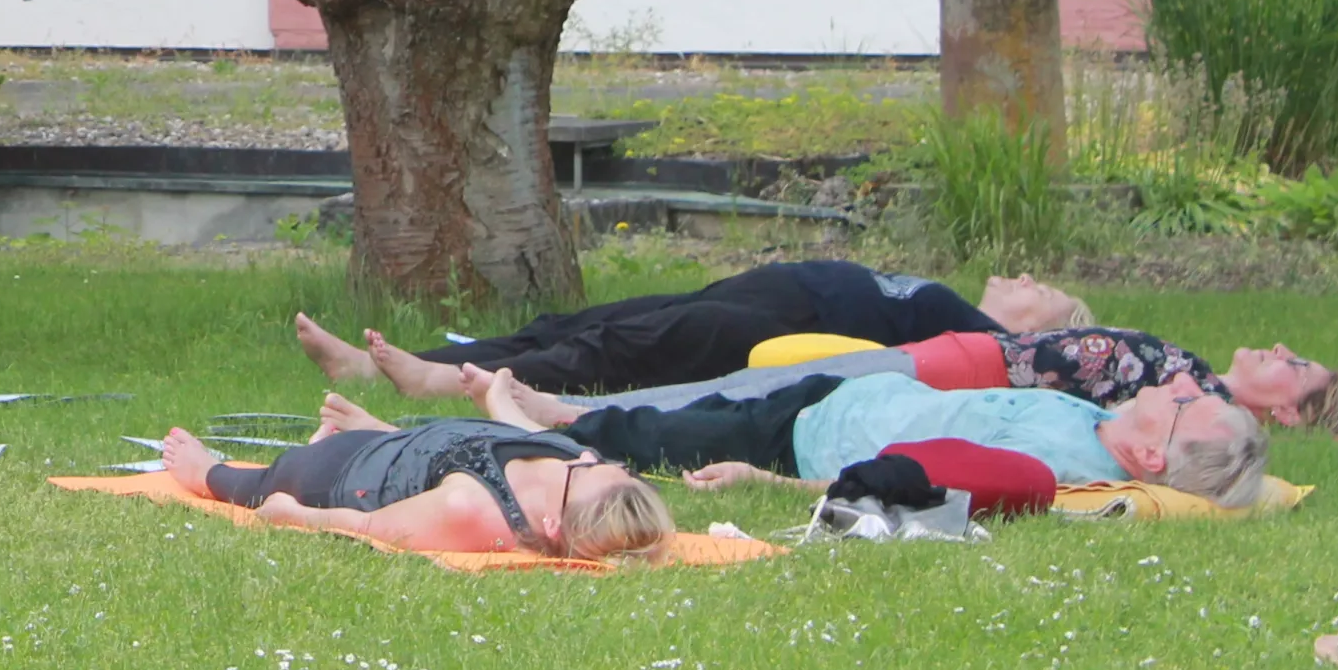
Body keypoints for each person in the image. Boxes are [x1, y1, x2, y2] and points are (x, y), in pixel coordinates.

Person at [474, 359, 1276, 509]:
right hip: (843, 400)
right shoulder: (1102, 428)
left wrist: (771, 486)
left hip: (805, 443)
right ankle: (554, 412)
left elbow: (917, 479)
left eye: (1180, 405)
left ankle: (535, 428)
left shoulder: (1054, 465)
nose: (1176, 385)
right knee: (695, 408)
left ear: (1148, 457)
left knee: (667, 437)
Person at [295, 261, 1096, 400]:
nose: (1026, 281)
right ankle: (393, 369)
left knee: (616, 350)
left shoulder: (986, 340)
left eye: (1043, 293)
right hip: (758, 297)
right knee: (582, 321)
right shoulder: (949, 304)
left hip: (777, 328)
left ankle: (446, 382)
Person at [543, 324, 1338, 436]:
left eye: (1296, 369)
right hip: (962, 354)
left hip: (954, 373)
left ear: (1290, 413)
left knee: (751, 388)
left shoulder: (1203, 406)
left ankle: (567, 410)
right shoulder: (1197, 378)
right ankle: (578, 406)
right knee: (756, 380)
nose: (1281, 350)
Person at [157, 395, 676, 560]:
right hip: (409, 446)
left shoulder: (472, 514)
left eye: (582, 474)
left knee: (260, 480)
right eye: (605, 463)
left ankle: (204, 469)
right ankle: (379, 430)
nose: (583, 459)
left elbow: (363, 527)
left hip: (341, 474)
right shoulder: (584, 470)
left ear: (551, 526)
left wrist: (290, 513)